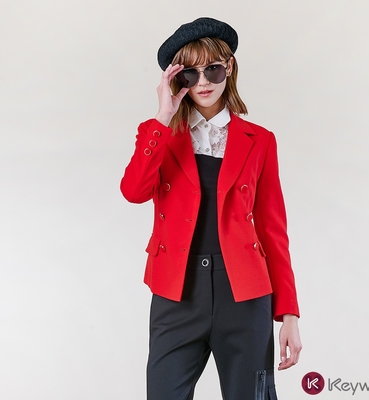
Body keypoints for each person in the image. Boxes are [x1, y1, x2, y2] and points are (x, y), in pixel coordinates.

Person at [120, 17, 302, 400]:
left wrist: (288, 314)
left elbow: (273, 230)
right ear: (177, 79)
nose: (202, 82)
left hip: (246, 296)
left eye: (213, 69)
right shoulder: (158, 133)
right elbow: (134, 192)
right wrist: (163, 117)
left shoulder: (260, 141)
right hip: (176, 293)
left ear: (229, 67)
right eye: (190, 73)